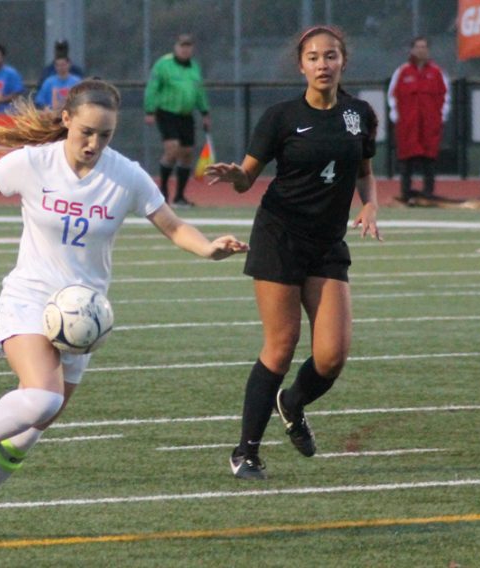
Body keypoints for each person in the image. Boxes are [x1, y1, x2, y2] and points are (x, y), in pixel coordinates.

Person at [0, 79, 248, 541]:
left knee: (31, 430)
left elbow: (172, 225)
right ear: (67, 119)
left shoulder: (126, 176)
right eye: (86, 131)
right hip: (30, 299)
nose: (94, 144)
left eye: (105, 135)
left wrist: (208, 248)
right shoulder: (35, 163)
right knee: (43, 397)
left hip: (83, 318)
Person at [206, 26, 381, 481]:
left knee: (332, 357)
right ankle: (246, 451)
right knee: (281, 347)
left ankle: (293, 402)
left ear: (343, 61)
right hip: (280, 235)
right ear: (300, 65)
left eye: (331, 56)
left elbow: (364, 171)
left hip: (326, 243)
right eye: (313, 57)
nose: (323, 64)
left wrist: (370, 203)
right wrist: (234, 176)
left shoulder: (360, 114)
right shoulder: (281, 117)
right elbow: (248, 177)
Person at [144, 33, 210, 208]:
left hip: (186, 115)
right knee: (172, 149)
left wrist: (205, 112)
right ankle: (163, 192)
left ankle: (180, 197)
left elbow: (199, 92)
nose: (185, 49)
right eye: (182, 45)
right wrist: (149, 110)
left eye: (188, 46)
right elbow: (152, 88)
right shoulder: (163, 65)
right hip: (167, 112)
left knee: (187, 153)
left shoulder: (194, 67)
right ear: (176, 47)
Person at [387, 36, 450, 202]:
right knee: (406, 158)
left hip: (430, 123)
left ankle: (428, 193)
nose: (421, 50)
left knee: (429, 158)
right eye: (418, 47)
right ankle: (406, 193)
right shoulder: (402, 72)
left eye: (424, 47)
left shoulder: (437, 73)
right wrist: (396, 116)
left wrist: (441, 116)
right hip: (408, 124)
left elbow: (445, 96)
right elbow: (392, 95)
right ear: (412, 50)